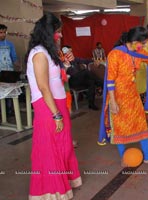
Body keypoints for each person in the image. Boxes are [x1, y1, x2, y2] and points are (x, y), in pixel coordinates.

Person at [25, 13, 81, 199]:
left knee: (63, 144)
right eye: (58, 32)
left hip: (57, 101)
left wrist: (65, 63)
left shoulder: (49, 51)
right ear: (49, 33)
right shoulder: (39, 53)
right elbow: (43, 86)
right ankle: (51, 191)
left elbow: (55, 77)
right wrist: (56, 114)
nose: (61, 36)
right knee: (50, 147)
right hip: (47, 105)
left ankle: (65, 182)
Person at [98, 26, 148, 168]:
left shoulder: (139, 52)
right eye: (142, 43)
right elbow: (110, 80)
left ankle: (147, 158)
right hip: (117, 97)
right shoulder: (115, 54)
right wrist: (112, 101)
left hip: (133, 96)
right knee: (120, 128)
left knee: (141, 126)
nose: (144, 47)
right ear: (133, 41)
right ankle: (123, 158)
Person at [64, 45, 103, 110]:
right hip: (72, 81)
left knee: (91, 82)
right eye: (69, 52)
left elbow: (86, 60)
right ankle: (102, 84)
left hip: (81, 79)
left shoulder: (75, 59)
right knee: (86, 72)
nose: (71, 53)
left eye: (71, 51)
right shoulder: (63, 62)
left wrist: (94, 60)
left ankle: (91, 104)